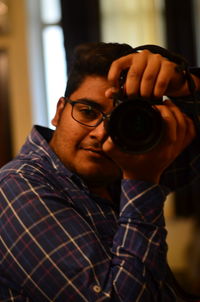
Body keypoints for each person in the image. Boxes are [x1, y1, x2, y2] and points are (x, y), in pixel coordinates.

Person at [1, 42, 200, 302]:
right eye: (87, 111)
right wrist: (142, 182)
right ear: (60, 111)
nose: (101, 134)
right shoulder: (17, 187)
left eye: (120, 120)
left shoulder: (117, 169)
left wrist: (189, 85)